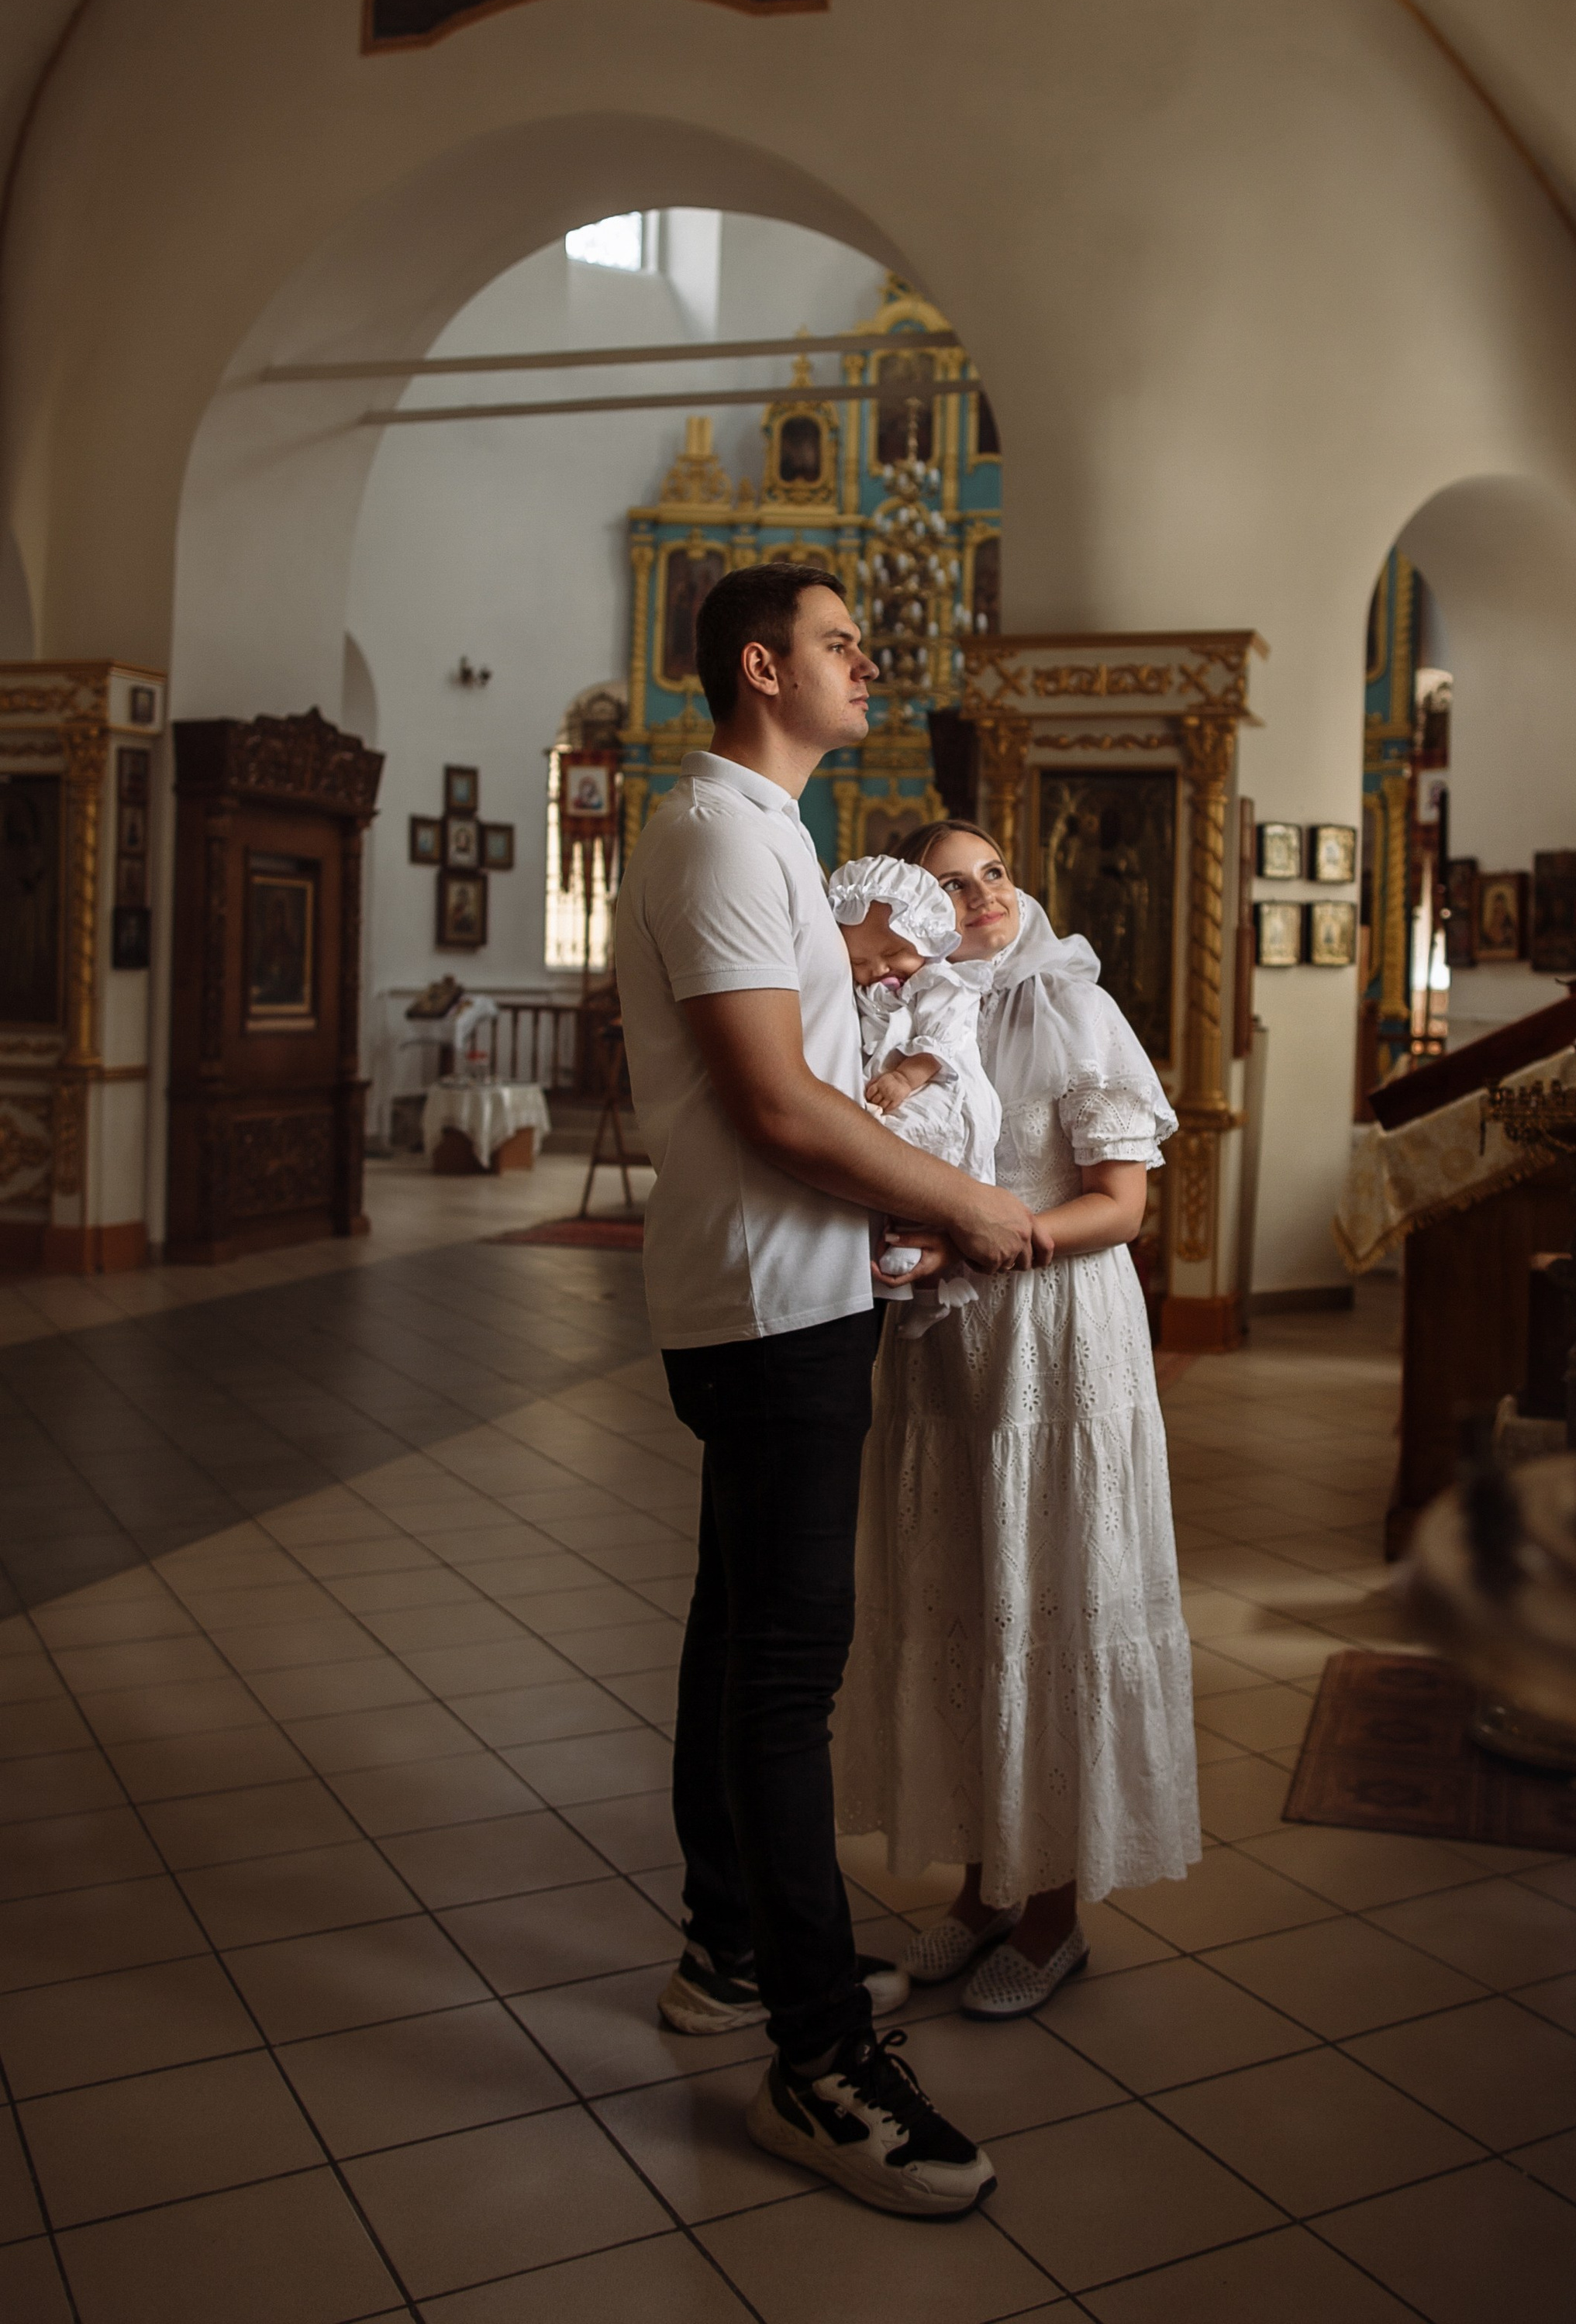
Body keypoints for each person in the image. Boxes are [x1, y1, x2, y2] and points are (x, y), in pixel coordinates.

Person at [614, 570, 1045, 2219]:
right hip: (771, 1293)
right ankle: (814, 2060)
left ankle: (730, 1944)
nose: (867, 662)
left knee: (740, 1631)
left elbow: (794, 1027)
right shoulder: (721, 834)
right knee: (786, 1675)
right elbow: (782, 1107)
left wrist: (849, 949)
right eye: (838, 643)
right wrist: (964, 1202)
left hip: (785, 1287)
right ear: (755, 664)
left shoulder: (770, 839)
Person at [836, 819, 1201, 2019]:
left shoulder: (1073, 1008)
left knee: (1044, 1598)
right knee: (964, 1597)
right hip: (948, 1351)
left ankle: (1052, 1917)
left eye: (995, 873)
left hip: (1054, 1333)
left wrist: (999, 1240)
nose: (987, 895)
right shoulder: (906, 1012)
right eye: (953, 883)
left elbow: (1123, 1206)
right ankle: (982, 1893)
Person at [826, 851, 1002, 1322]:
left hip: (937, 1088)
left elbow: (944, 1040)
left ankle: (927, 1285)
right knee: (884, 1181)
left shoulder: (942, 982)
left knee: (919, 1175)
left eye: (891, 954)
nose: (877, 971)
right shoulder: (868, 992)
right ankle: (921, 1296)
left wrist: (908, 1075)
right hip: (890, 1096)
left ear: (929, 939)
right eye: (859, 961)